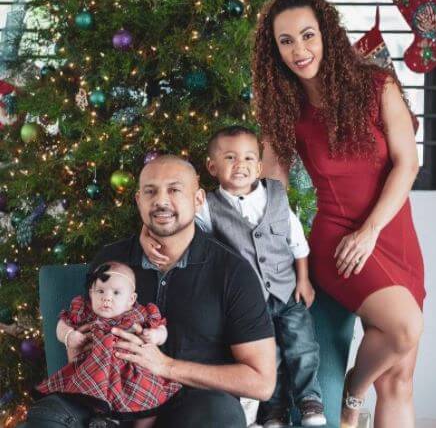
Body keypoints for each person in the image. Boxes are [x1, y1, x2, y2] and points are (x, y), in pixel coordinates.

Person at [251, 0, 425, 428]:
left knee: (400, 380)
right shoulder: (284, 109)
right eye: (285, 41)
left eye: (307, 35)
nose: (299, 50)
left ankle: (359, 388)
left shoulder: (377, 85)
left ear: (326, 34)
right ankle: (353, 391)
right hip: (338, 241)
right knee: (405, 328)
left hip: (392, 232)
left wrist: (372, 231)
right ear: (274, 50)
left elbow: (408, 163)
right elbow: (274, 188)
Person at [21, 155, 276, 428]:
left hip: (194, 402)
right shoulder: (111, 259)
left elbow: (261, 383)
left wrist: (166, 366)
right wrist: (77, 346)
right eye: (150, 191)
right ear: (138, 200)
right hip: (111, 395)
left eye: (175, 190)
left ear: (199, 199)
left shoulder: (232, 271)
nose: (161, 201)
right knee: (48, 417)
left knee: (219, 414)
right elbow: (81, 337)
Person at [142, 126, 326, 427]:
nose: (240, 164)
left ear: (259, 166)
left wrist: (303, 280)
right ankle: (274, 411)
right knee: (272, 357)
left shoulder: (277, 197)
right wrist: (146, 233)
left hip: (286, 293)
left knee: (302, 346)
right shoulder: (207, 207)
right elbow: (172, 219)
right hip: (247, 303)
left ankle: (310, 400)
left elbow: (297, 243)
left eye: (248, 158)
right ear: (212, 167)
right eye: (230, 157)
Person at [35, 261, 179, 427]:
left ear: (131, 299)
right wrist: (68, 335)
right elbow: (62, 324)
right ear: (91, 293)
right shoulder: (84, 311)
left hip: (132, 373)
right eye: (100, 291)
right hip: (94, 369)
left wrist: (155, 335)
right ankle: (103, 420)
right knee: (83, 398)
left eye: (116, 293)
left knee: (152, 398)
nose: (107, 298)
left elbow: (162, 329)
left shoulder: (140, 314)